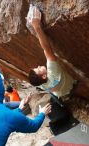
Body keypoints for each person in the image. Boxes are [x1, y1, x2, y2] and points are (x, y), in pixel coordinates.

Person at [27, 6, 78, 135]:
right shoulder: (53, 71)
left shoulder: (43, 83)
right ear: (44, 76)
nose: (38, 66)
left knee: (54, 95)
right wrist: (37, 26)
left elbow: (36, 80)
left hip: (64, 92)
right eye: (38, 69)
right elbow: (47, 48)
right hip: (71, 84)